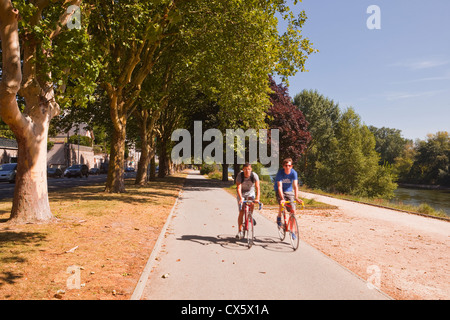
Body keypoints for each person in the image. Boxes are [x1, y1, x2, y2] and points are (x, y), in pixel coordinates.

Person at [273, 158, 304, 227]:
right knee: (282, 203)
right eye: (286, 165)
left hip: (289, 191)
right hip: (280, 190)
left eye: (289, 165)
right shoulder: (280, 173)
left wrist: (296, 198)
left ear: (291, 166)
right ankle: (279, 216)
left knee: (293, 211)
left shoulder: (294, 173)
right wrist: (282, 198)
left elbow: (295, 186)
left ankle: (292, 230)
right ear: (283, 166)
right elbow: (279, 187)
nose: (288, 167)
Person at [236, 163, 260, 240]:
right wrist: (240, 198)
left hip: (250, 193)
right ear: (243, 169)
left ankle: (250, 216)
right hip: (242, 193)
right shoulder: (240, 176)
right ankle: (240, 231)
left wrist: (257, 198)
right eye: (245, 169)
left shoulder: (254, 176)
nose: (247, 171)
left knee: (252, 203)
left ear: (251, 169)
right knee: (242, 211)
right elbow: (238, 188)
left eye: (249, 169)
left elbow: (257, 187)